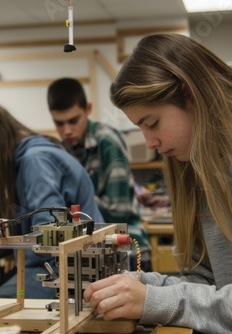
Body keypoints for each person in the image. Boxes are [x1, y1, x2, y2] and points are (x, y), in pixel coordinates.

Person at [83, 33, 232, 333]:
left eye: (152, 123)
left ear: (189, 94)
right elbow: (209, 284)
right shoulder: (195, 164)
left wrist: (156, 300)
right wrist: (133, 287)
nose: (150, 142)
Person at [0, 96, 104, 299]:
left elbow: (47, 234)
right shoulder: (33, 154)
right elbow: (22, 212)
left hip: (65, 271)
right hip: (61, 267)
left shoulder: (34, 161)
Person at [47, 77, 152, 272]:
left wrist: (75, 200)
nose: (67, 130)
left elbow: (118, 211)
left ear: (88, 109)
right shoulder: (64, 150)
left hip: (127, 250)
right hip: (90, 250)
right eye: (59, 124)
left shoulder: (108, 143)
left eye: (73, 121)